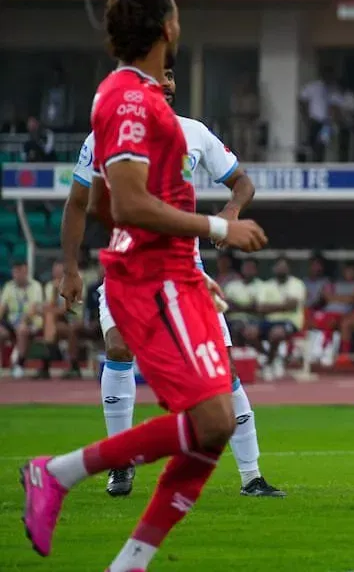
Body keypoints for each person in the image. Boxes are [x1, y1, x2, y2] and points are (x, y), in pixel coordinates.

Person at [20, 0, 269, 568]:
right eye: (177, 12)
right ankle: (57, 473)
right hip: (152, 280)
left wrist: (185, 255)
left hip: (173, 272)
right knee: (209, 418)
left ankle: (128, 561)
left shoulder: (134, 99)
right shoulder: (130, 100)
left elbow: (107, 202)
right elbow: (126, 206)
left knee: (210, 427)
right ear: (167, 27)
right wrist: (216, 229)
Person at [58, 60, 283, 499]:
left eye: (171, 76)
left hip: (185, 272)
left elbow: (242, 182)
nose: (167, 83)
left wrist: (230, 211)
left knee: (225, 368)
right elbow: (77, 202)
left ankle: (252, 477)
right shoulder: (106, 135)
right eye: (156, 76)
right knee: (119, 347)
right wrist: (69, 268)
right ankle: (120, 465)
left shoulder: (194, 132)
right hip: (127, 268)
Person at [256, 258, 306, 381]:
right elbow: (260, 308)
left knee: (276, 333)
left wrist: (271, 306)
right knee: (249, 332)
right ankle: (274, 357)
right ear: (273, 268)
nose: (281, 269)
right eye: (278, 266)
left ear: (289, 269)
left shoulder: (297, 284)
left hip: (291, 322)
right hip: (269, 321)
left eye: (284, 266)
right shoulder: (266, 285)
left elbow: (292, 306)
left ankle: (268, 364)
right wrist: (283, 305)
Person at [1, 259, 45, 378]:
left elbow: (34, 308)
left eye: (20, 272)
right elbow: (2, 308)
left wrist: (22, 322)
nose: (17, 275)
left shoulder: (35, 286)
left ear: (26, 272)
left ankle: (19, 364)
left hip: (31, 323)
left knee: (22, 330)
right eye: (15, 272)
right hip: (11, 323)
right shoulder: (8, 287)